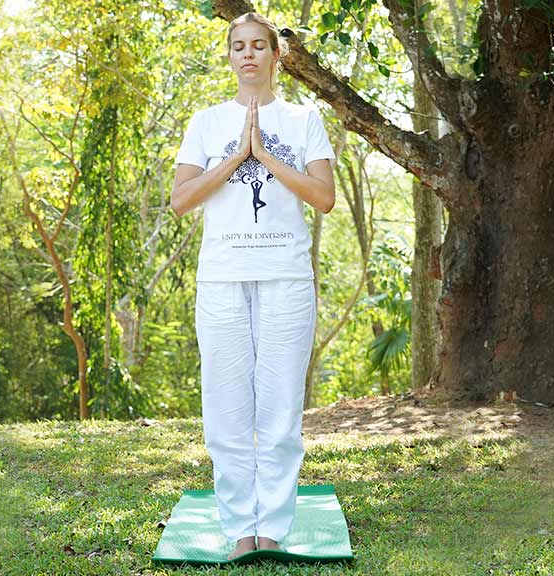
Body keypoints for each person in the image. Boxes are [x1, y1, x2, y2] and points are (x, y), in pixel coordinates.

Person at [170, 10, 337, 561]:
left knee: (281, 410)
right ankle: (241, 526)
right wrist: (236, 156)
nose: (248, 54)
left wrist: (264, 154)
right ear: (229, 56)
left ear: (275, 55)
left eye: (258, 45)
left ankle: (273, 529)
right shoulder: (206, 121)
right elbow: (181, 200)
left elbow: (323, 197)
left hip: (286, 277)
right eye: (238, 46)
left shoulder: (304, 118)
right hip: (222, 277)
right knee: (226, 410)